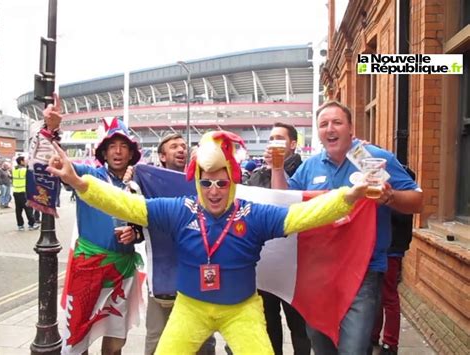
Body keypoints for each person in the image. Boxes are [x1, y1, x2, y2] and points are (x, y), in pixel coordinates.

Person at [47, 129, 368, 355]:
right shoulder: (179, 210)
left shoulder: (253, 214)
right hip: (190, 309)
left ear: (232, 180)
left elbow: (302, 215)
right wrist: (78, 181)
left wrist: (348, 197)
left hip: (241, 311)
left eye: (221, 181)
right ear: (197, 182)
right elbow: (126, 205)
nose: (214, 190)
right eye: (206, 182)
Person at [271, 100, 423, 355]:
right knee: (322, 348)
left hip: (362, 272)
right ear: (318, 132)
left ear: (351, 128)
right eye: (323, 124)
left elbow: (417, 201)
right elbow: (284, 202)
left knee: (353, 349)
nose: (330, 128)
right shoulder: (311, 166)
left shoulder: (372, 158)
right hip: (317, 274)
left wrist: (390, 197)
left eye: (337, 122)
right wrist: (277, 167)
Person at [42, 94, 143, 355]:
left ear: (131, 153)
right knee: (76, 336)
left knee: (116, 336)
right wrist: (52, 131)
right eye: (112, 146)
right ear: (104, 152)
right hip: (88, 268)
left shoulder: (138, 185)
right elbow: (57, 163)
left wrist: (135, 233)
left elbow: (148, 223)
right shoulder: (90, 176)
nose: (118, 151)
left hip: (123, 270)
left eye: (123, 146)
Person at [143, 133, 216, 355]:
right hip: (163, 278)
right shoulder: (145, 181)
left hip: (198, 277)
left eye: (183, 146)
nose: (181, 149)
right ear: (162, 156)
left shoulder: (202, 182)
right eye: (174, 146)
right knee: (158, 336)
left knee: (203, 339)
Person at [246, 122, 311, 355]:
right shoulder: (257, 175)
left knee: (299, 327)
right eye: (270, 138)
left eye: (279, 138)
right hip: (267, 262)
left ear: (293, 144)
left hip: (295, 264)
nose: (273, 142)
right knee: (269, 324)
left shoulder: (303, 172)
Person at [371, 166, 416, 355]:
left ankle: (390, 343)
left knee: (388, 297)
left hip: (391, 251)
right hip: (381, 249)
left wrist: (388, 200)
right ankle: (373, 335)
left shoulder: (403, 194)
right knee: (376, 297)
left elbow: (401, 221)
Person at [12, 156, 39, 231]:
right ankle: (32, 224)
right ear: (21, 161)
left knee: (18, 209)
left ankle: (20, 225)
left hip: (16, 192)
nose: (26, 161)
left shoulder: (14, 169)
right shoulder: (25, 170)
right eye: (25, 160)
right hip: (24, 192)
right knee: (28, 209)